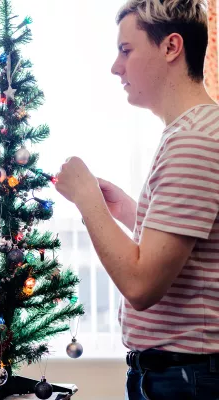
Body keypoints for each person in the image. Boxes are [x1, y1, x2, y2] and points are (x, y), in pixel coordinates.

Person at [55, 0, 219, 399]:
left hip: (186, 380)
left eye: (126, 50)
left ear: (170, 47)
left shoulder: (193, 142)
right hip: (182, 375)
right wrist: (129, 210)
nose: (116, 66)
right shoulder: (196, 130)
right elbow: (192, 249)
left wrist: (87, 201)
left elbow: (141, 284)